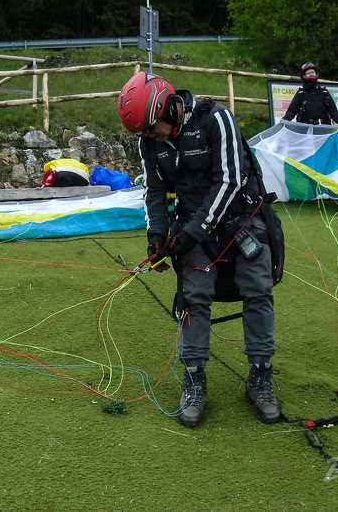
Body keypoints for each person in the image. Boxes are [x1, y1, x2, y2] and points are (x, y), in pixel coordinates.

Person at [116, 71, 281, 428]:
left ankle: (260, 375)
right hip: (194, 227)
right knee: (194, 297)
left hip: (241, 219)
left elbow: (231, 180)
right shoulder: (151, 143)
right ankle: (194, 378)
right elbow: (154, 193)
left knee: (258, 289)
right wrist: (157, 238)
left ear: (168, 108)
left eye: (150, 128)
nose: (148, 137)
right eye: (143, 134)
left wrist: (193, 232)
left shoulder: (215, 119)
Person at [282, 62, 338, 126]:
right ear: (304, 76)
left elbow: (334, 112)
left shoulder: (324, 92)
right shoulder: (301, 93)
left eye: (312, 72)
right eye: (308, 73)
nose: (311, 74)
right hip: (305, 130)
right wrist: (284, 120)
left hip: (324, 129)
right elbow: (291, 112)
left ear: (316, 74)